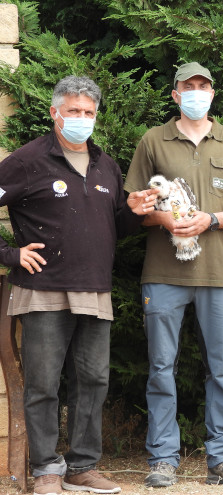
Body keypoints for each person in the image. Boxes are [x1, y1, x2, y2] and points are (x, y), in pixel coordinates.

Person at [0, 75, 157, 495]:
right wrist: (10, 254)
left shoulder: (107, 165)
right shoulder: (26, 160)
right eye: (73, 111)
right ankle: (46, 469)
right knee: (44, 384)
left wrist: (135, 211)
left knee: (93, 381)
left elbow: (114, 226)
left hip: (94, 288)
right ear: (54, 113)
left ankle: (83, 467)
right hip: (43, 287)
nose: (81, 119)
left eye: (88, 113)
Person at [123, 62, 223, 488]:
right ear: (175, 95)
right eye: (188, 87)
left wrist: (213, 220)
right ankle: (162, 458)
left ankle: (222, 456)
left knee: (221, 369)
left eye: (204, 86)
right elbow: (135, 207)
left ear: (213, 93)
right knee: (160, 367)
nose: (196, 92)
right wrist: (163, 219)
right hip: (163, 274)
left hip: (219, 275)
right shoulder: (153, 141)